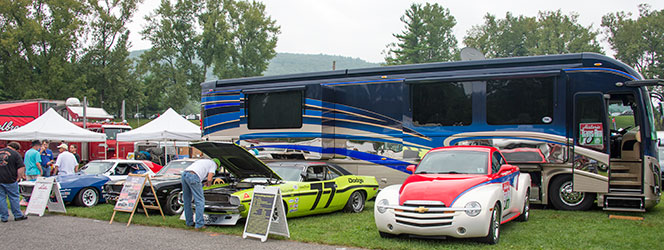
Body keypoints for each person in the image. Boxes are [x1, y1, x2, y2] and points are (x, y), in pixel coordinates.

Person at [181, 158, 219, 229]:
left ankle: (189, 222)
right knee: (200, 201)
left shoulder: (203, 161)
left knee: (187, 200)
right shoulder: (213, 164)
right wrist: (209, 184)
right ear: (217, 165)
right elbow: (209, 179)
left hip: (184, 174)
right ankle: (199, 224)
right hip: (193, 176)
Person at [0, 142, 28, 222]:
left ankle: (3, 217)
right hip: (10, 179)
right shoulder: (15, 154)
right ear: (16, 149)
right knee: (14, 197)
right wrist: (19, 177)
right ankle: (17, 215)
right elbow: (21, 167)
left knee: (1, 198)